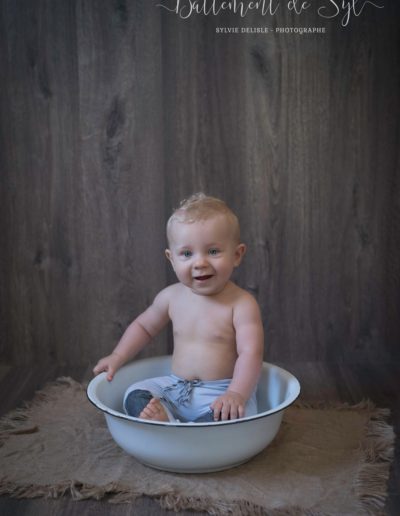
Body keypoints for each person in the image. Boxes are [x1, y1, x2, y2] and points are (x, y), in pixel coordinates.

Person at [93, 193, 264, 422]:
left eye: (213, 251)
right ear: (171, 259)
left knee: (234, 415)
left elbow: (250, 353)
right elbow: (144, 327)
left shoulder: (242, 304)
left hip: (221, 392)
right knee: (134, 394)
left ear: (236, 255)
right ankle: (168, 420)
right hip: (175, 388)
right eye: (186, 254)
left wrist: (237, 393)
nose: (200, 262)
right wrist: (118, 356)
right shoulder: (171, 297)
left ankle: (184, 430)